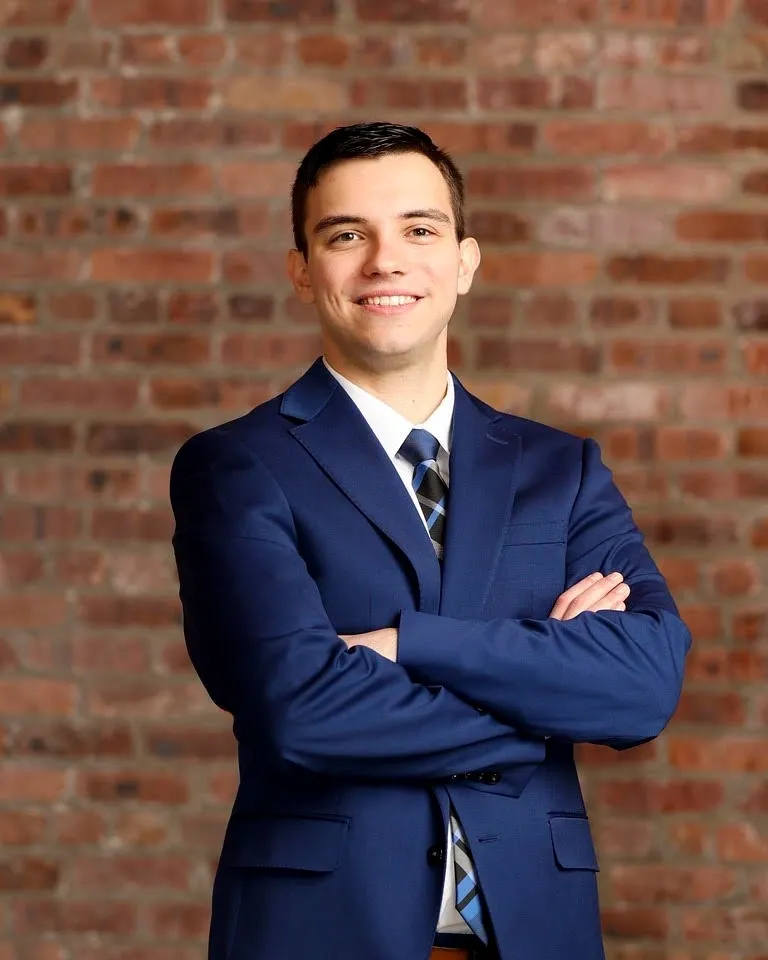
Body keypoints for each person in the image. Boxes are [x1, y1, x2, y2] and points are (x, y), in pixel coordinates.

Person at [170, 122, 691, 960]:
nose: (386, 261)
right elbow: (303, 710)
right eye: (347, 235)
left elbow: (643, 686)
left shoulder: (561, 469)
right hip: (324, 932)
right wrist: (546, 703)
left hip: (538, 932)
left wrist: (408, 644)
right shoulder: (236, 467)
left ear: (465, 261)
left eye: (419, 229)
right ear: (302, 270)